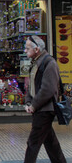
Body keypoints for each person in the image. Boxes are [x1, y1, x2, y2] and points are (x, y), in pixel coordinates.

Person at [24, 35, 66, 163]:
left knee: (33, 143)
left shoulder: (49, 63)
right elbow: (31, 86)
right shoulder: (36, 62)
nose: (25, 51)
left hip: (45, 110)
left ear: (36, 49)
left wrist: (34, 105)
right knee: (50, 142)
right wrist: (28, 101)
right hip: (40, 109)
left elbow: (48, 89)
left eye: (27, 48)